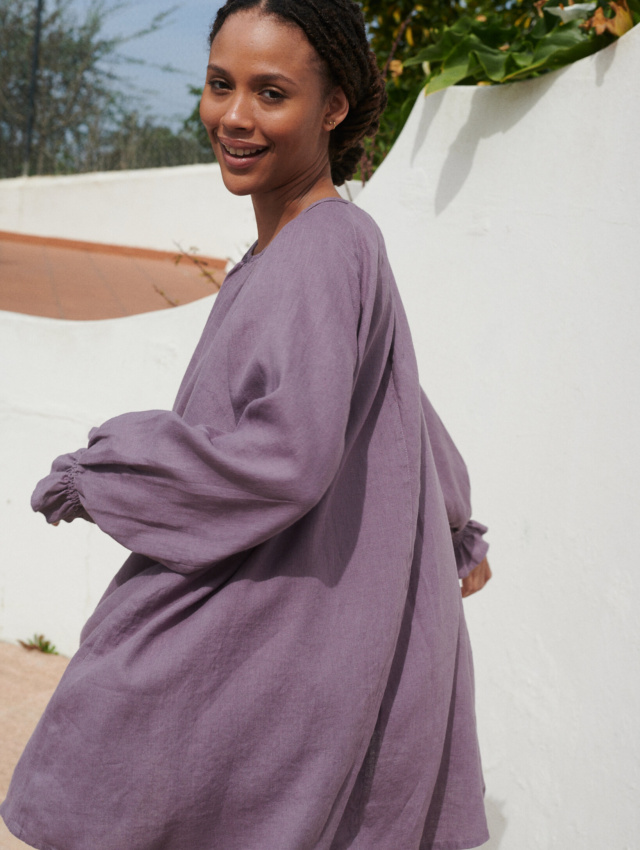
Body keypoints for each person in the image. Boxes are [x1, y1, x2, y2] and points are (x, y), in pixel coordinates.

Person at [0, 0, 492, 847]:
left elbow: (285, 459)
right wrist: (455, 528)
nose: (233, 116)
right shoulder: (317, 246)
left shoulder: (323, 245)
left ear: (332, 108)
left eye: (271, 93)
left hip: (271, 637)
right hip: (308, 635)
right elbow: (402, 404)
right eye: (220, 85)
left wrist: (107, 469)